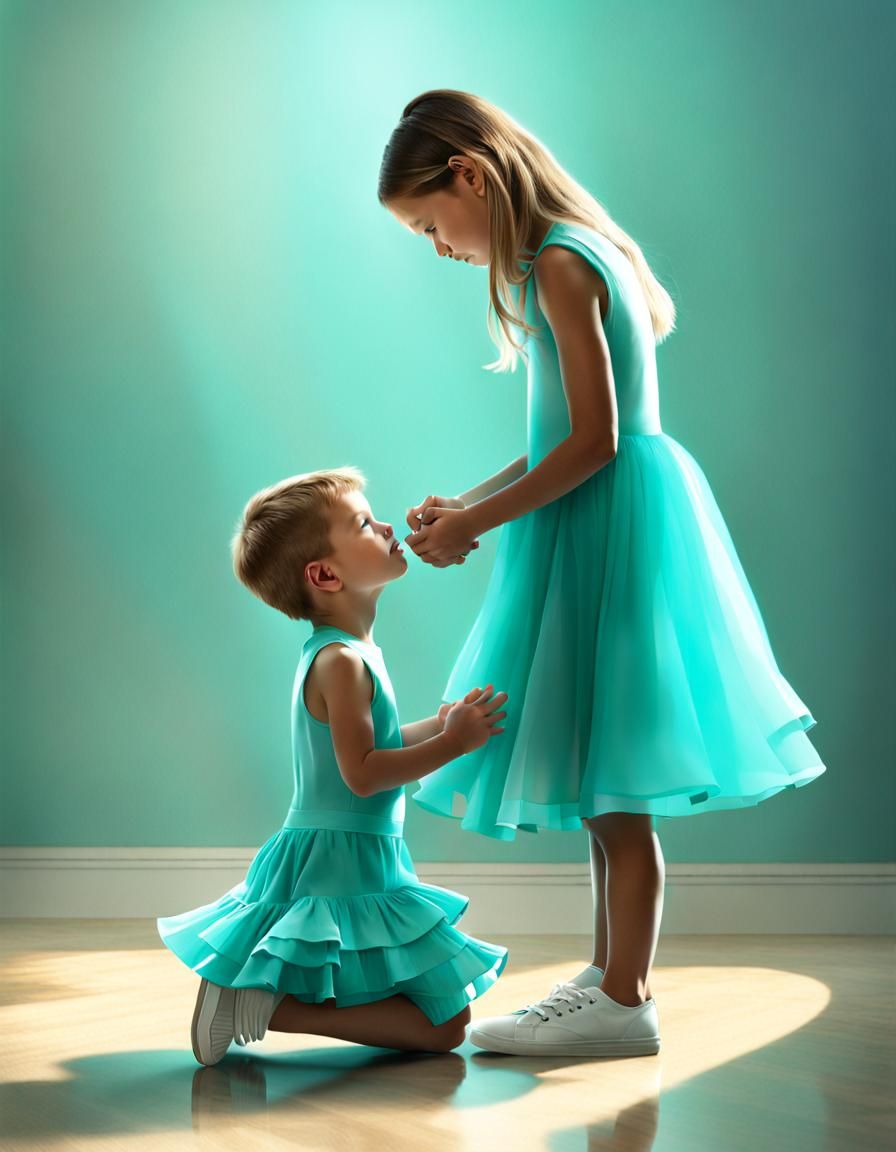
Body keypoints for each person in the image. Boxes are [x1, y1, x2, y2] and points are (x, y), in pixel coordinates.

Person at [378, 89, 827, 1058]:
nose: (436, 245)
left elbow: (591, 441)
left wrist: (477, 523)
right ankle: (606, 981)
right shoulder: (582, 250)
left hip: (605, 528)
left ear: (466, 177)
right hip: (603, 517)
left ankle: (622, 1000)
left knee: (613, 779)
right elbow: (559, 437)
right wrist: (465, 505)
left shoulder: (554, 265)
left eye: (427, 223)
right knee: (602, 775)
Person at [157, 466, 509, 1066]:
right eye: (365, 524)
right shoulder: (340, 662)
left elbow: (378, 744)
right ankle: (261, 1005)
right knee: (444, 1022)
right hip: (339, 858)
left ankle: (259, 1002)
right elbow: (365, 773)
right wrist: (452, 744)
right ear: (325, 575)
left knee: (445, 1023)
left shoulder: (350, 654)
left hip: (360, 851)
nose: (388, 525)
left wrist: (443, 726)